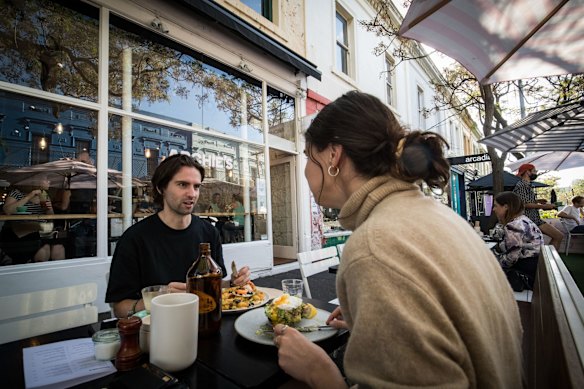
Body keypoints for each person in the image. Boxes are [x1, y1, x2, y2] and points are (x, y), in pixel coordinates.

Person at [272, 91, 523, 388]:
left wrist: (318, 372)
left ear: (332, 156)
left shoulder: (374, 248)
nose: (304, 169)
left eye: (306, 156)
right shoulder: (439, 216)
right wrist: (377, 322)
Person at [105, 154, 250, 318]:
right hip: (158, 330)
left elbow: (213, 286)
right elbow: (120, 308)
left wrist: (232, 283)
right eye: (182, 185)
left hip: (206, 323)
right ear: (161, 188)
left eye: (196, 186)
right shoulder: (135, 239)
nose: (192, 194)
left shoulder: (209, 233)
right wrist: (159, 299)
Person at [0, 180, 65, 263]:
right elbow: (7, 210)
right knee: (44, 251)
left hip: (41, 233)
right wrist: (30, 195)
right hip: (19, 235)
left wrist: (48, 209)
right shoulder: (17, 193)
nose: (49, 182)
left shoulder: (44, 195)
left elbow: (51, 218)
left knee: (59, 249)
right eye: (46, 180)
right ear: (36, 181)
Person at [492, 191, 544, 291]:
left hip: (526, 272)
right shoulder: (522, 220)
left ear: (506, 207)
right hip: (534, 266)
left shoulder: (514, 226)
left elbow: (512, 258)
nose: (494, 209)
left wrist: (494, 263)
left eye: (496, 206)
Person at [513, 163, 563, 250]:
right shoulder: (522, 185)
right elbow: (525, 204)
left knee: (558, 236)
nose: (536, 173)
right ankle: (545, 261)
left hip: (534, 219)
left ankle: (544, 261)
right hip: (529, 220)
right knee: (558, 236)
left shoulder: (527, 185)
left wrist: (538, 201)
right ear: (527, 172)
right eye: (534, 171)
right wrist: (543, 206)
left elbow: (524, 201)